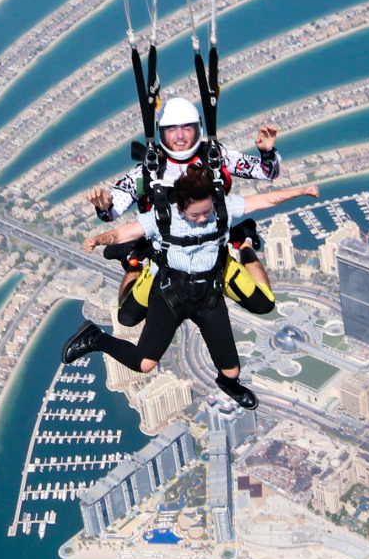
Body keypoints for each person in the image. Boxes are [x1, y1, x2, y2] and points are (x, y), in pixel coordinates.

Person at [61, 165, 319, 409]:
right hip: (170, 295)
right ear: (181, 207)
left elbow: (262, 201)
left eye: (207, 211)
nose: (204, 218)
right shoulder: (163, 218)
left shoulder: (220, 209)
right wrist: (98, 239)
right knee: (144, 363)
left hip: (208, 296)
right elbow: (123, 232)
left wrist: (300, 192)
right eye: (196, 214)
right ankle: (96, 338)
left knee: (232, 371)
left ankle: (228, 384)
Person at [87, 96, 279, 223]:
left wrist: (267, 153)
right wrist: (105, 206)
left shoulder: (214, 156)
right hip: (163, 247)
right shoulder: (151, 170)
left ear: (198, 129)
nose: (180, 136)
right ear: (161, 132)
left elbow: (266, 171)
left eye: (187, 128)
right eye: (172, 129)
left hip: (211, 239)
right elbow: (115, 209)